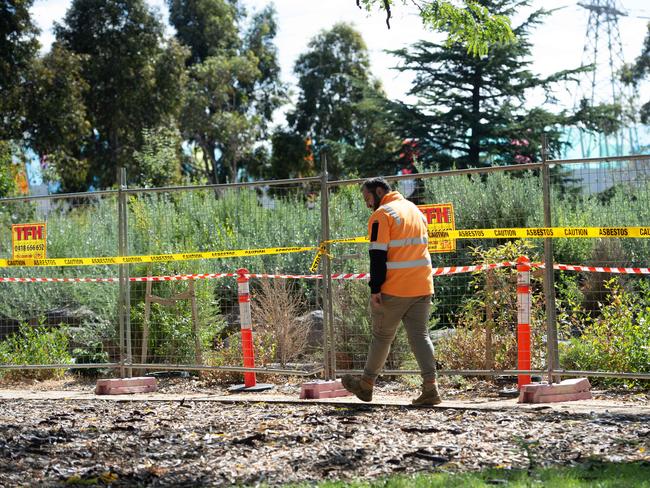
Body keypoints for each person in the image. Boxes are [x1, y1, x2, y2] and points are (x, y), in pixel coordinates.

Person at [341, 177, 442, 405]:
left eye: (368, 198)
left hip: (395, 288)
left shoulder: (382, 215)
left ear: (379, 191)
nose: (367, 204)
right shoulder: (414, 210)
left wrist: (375, 288)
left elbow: (377, 255)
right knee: (421, 336)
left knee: (381, 336)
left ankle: (366, 386)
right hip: (423, 285)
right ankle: (431, 388)